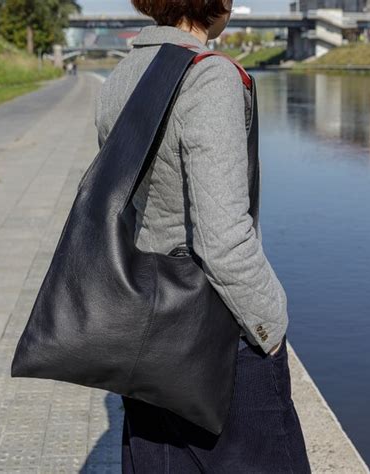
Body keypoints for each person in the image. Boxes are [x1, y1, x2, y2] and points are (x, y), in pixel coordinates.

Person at [94, 1, 311, 472]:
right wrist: (269, 325)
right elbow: (222, 237)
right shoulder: (210, 77)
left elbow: (125, 206)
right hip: (216, 332)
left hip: (147, 329)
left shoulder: (122, 76)